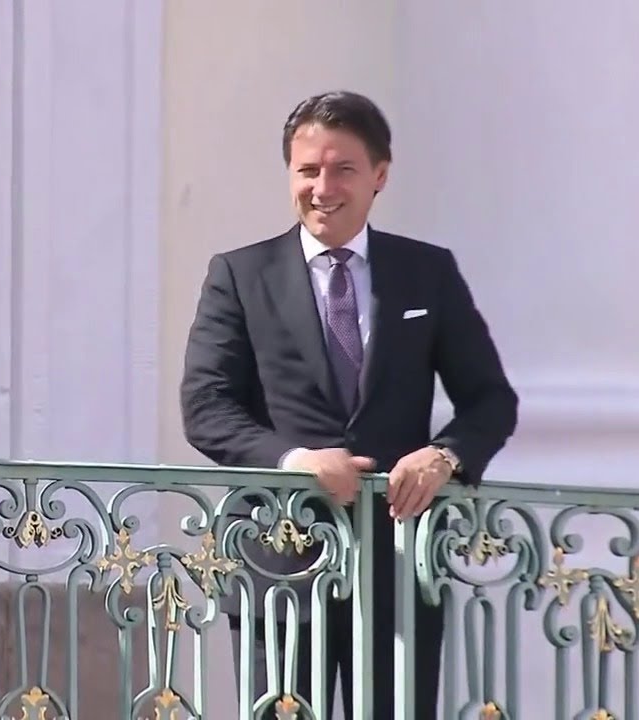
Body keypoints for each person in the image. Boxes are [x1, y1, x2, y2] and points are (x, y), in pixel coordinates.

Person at [179, 91, 517, 719]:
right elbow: (206, 406)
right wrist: (296, 460)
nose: (322, 188)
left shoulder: (427, 272)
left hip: (400, 565)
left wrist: (444, 457)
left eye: (343, 170)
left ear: (379, 175)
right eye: (307, 170)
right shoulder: (240, 274)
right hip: (280, 560)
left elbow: (491, 400)